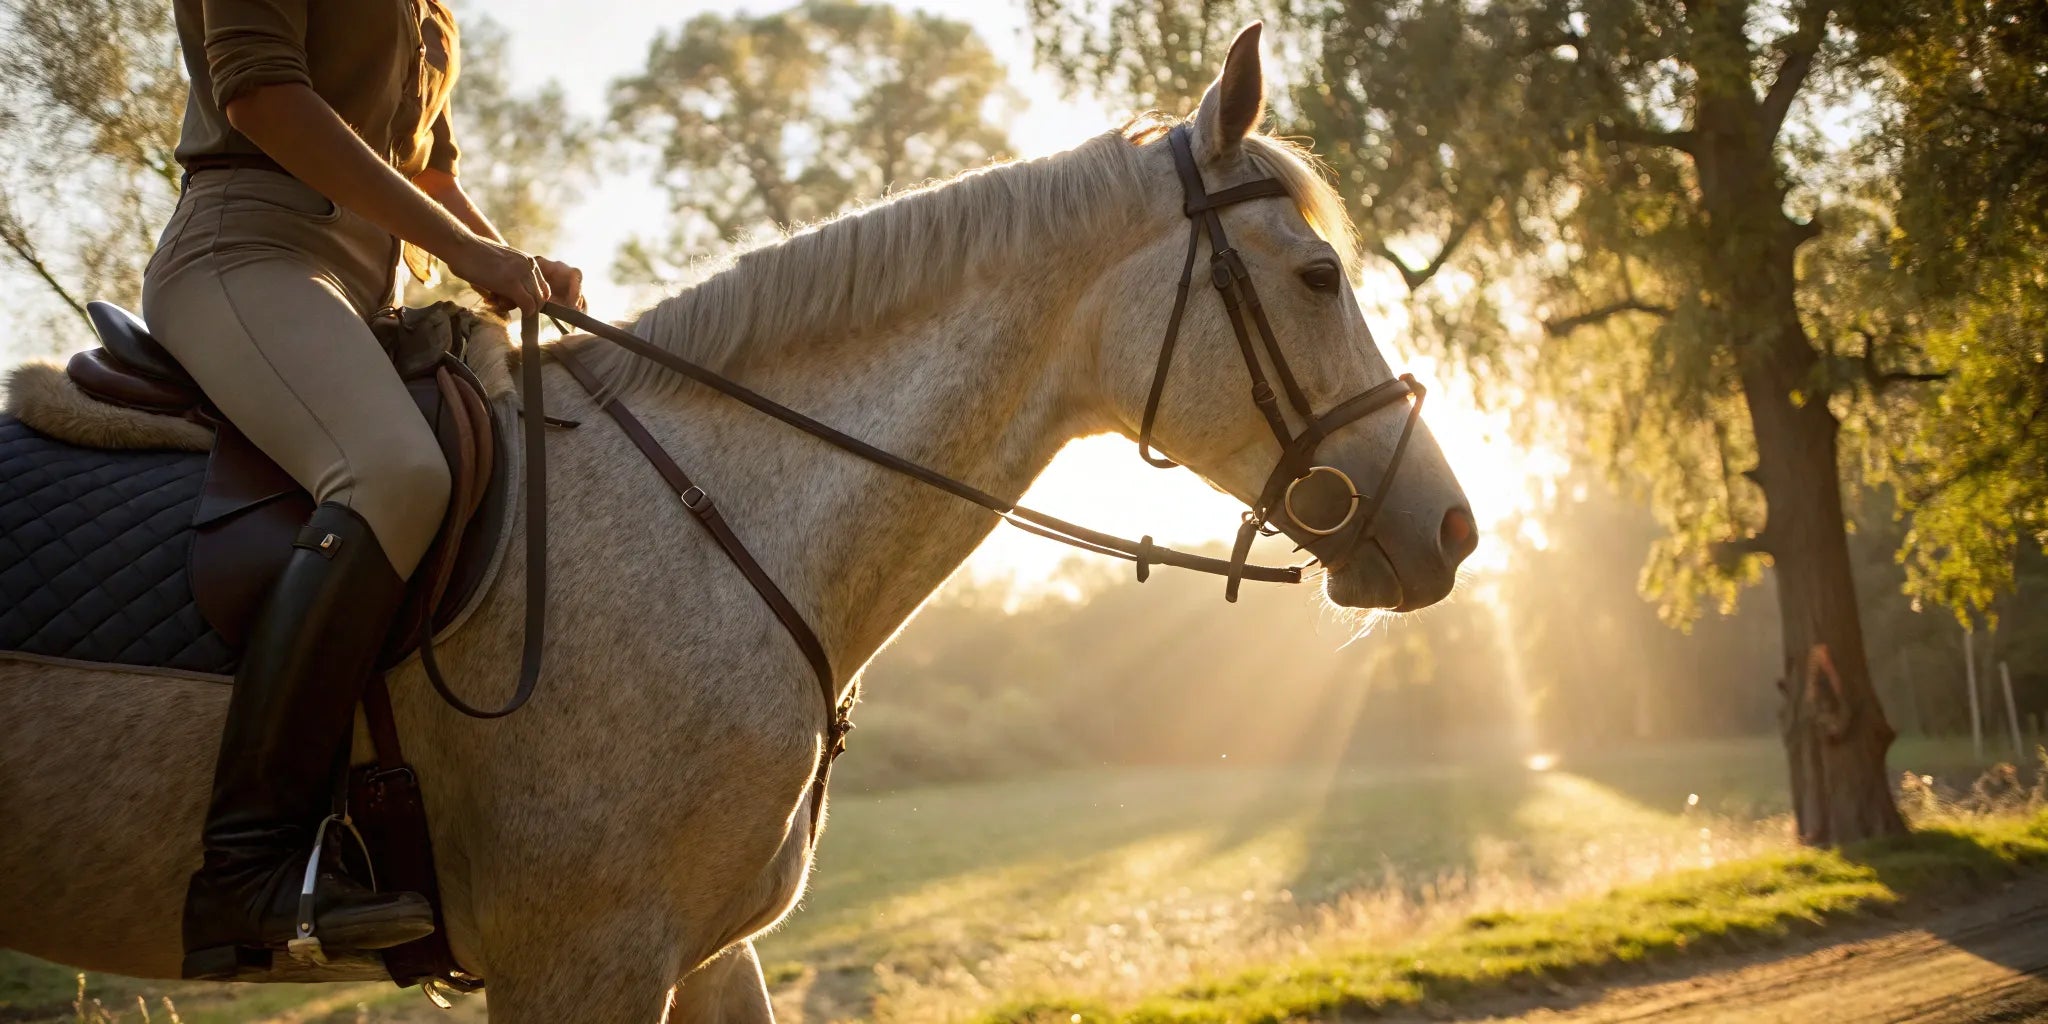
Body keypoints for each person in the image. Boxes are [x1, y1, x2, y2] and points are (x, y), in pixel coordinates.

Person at [143, 0, 584, 980]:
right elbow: (258, 94)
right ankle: (246, 865)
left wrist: (506, 260)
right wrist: (469, 256)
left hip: (364, 284)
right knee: (390, 471)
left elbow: (426, 167)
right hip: (247, 252)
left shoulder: (430, 12)